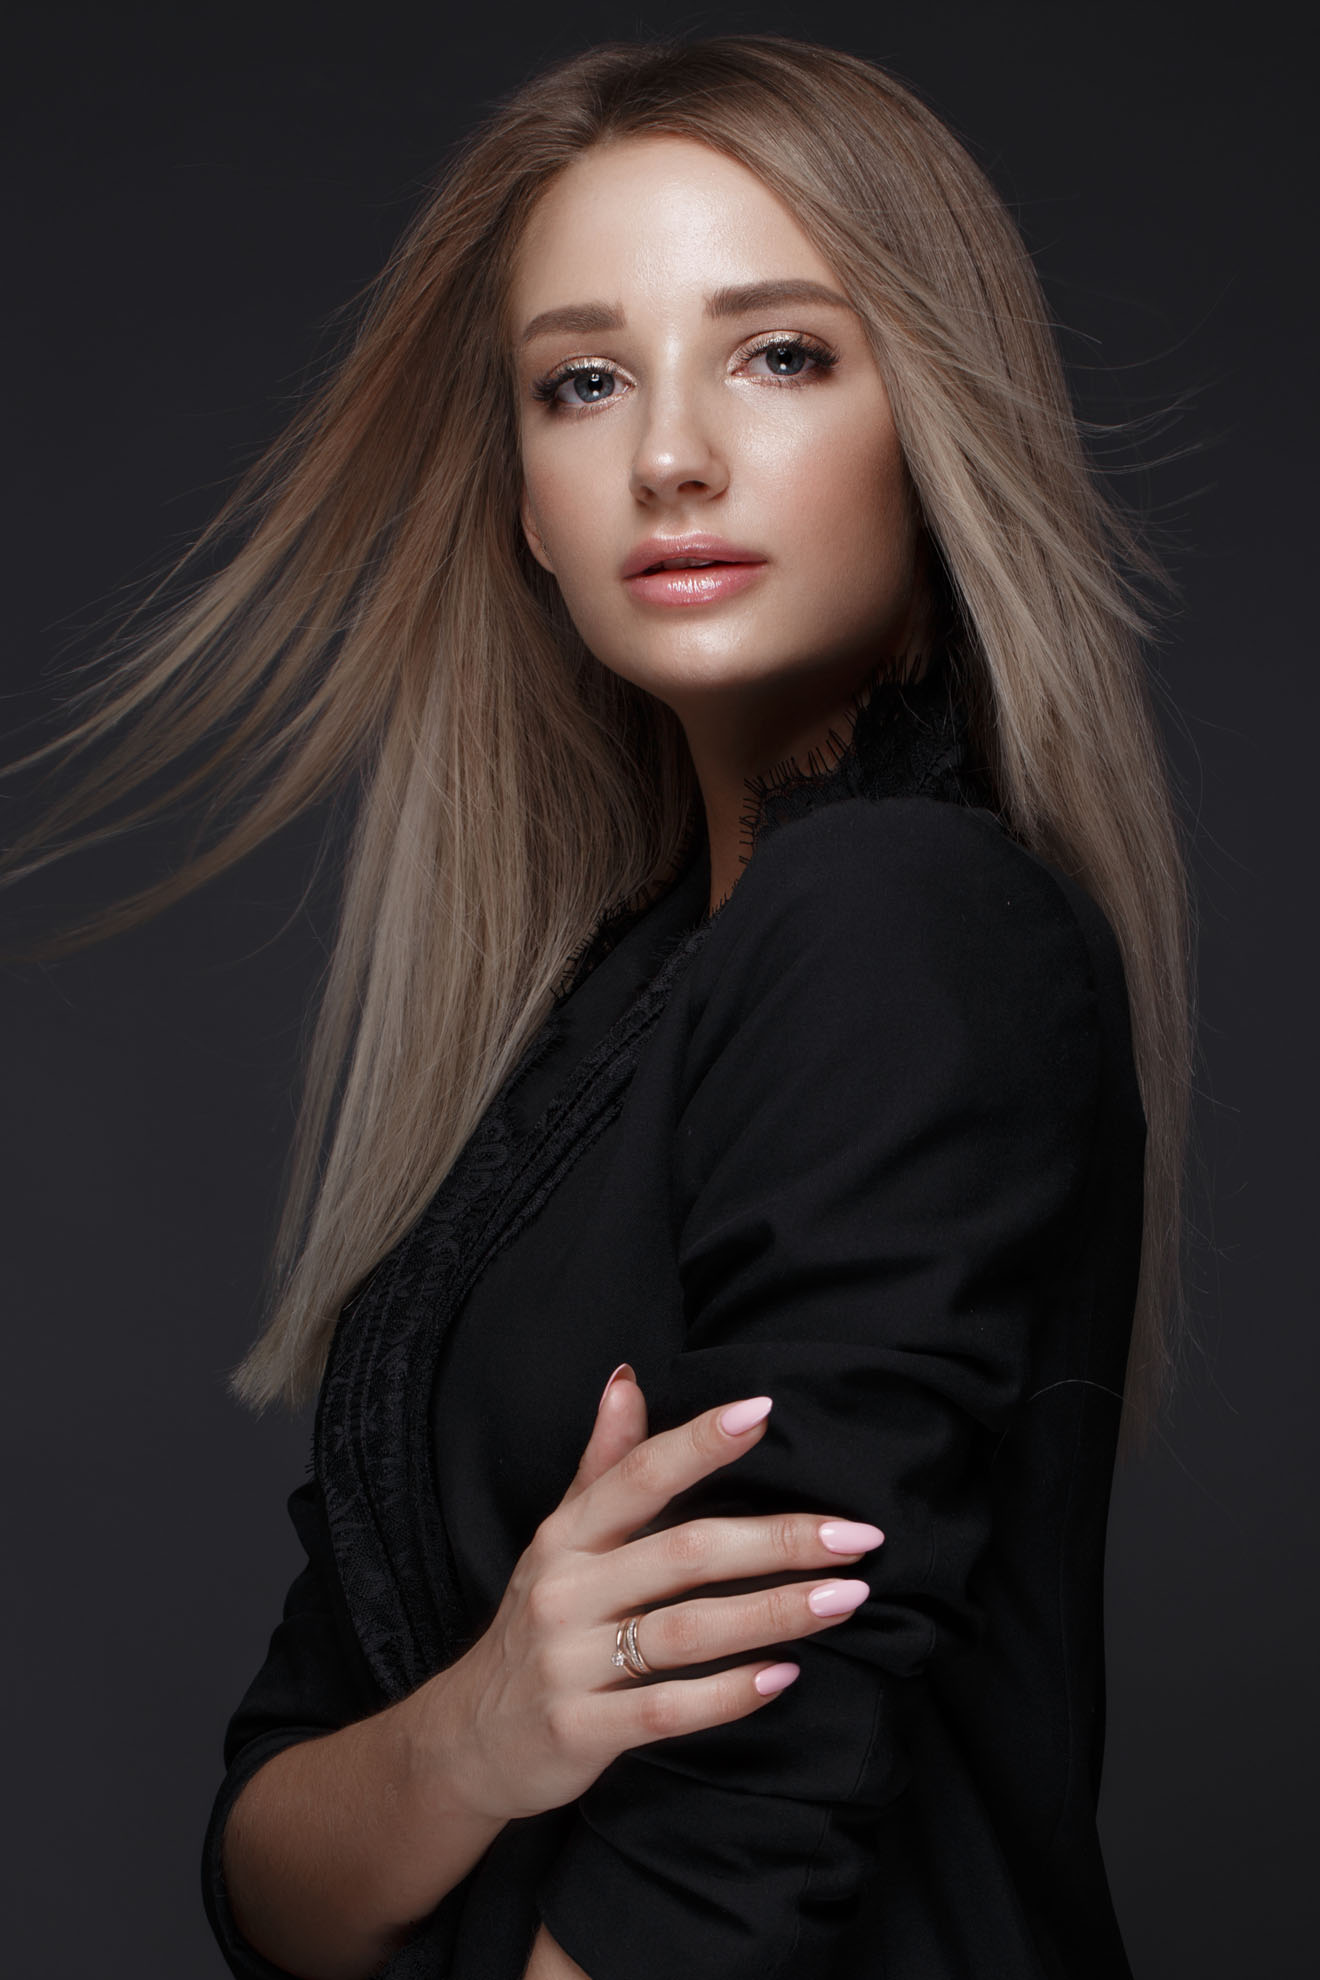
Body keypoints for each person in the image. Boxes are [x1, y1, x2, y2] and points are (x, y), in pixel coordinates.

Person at [0, 31, 1192, 1980]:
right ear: (534, 512)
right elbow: (270, 1871)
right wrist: (486, 1722)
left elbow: (734, 1859)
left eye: (782, 352)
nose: (668, 453)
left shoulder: (898, 919)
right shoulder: (599, 1026)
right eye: (583, 381)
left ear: (938, 423)